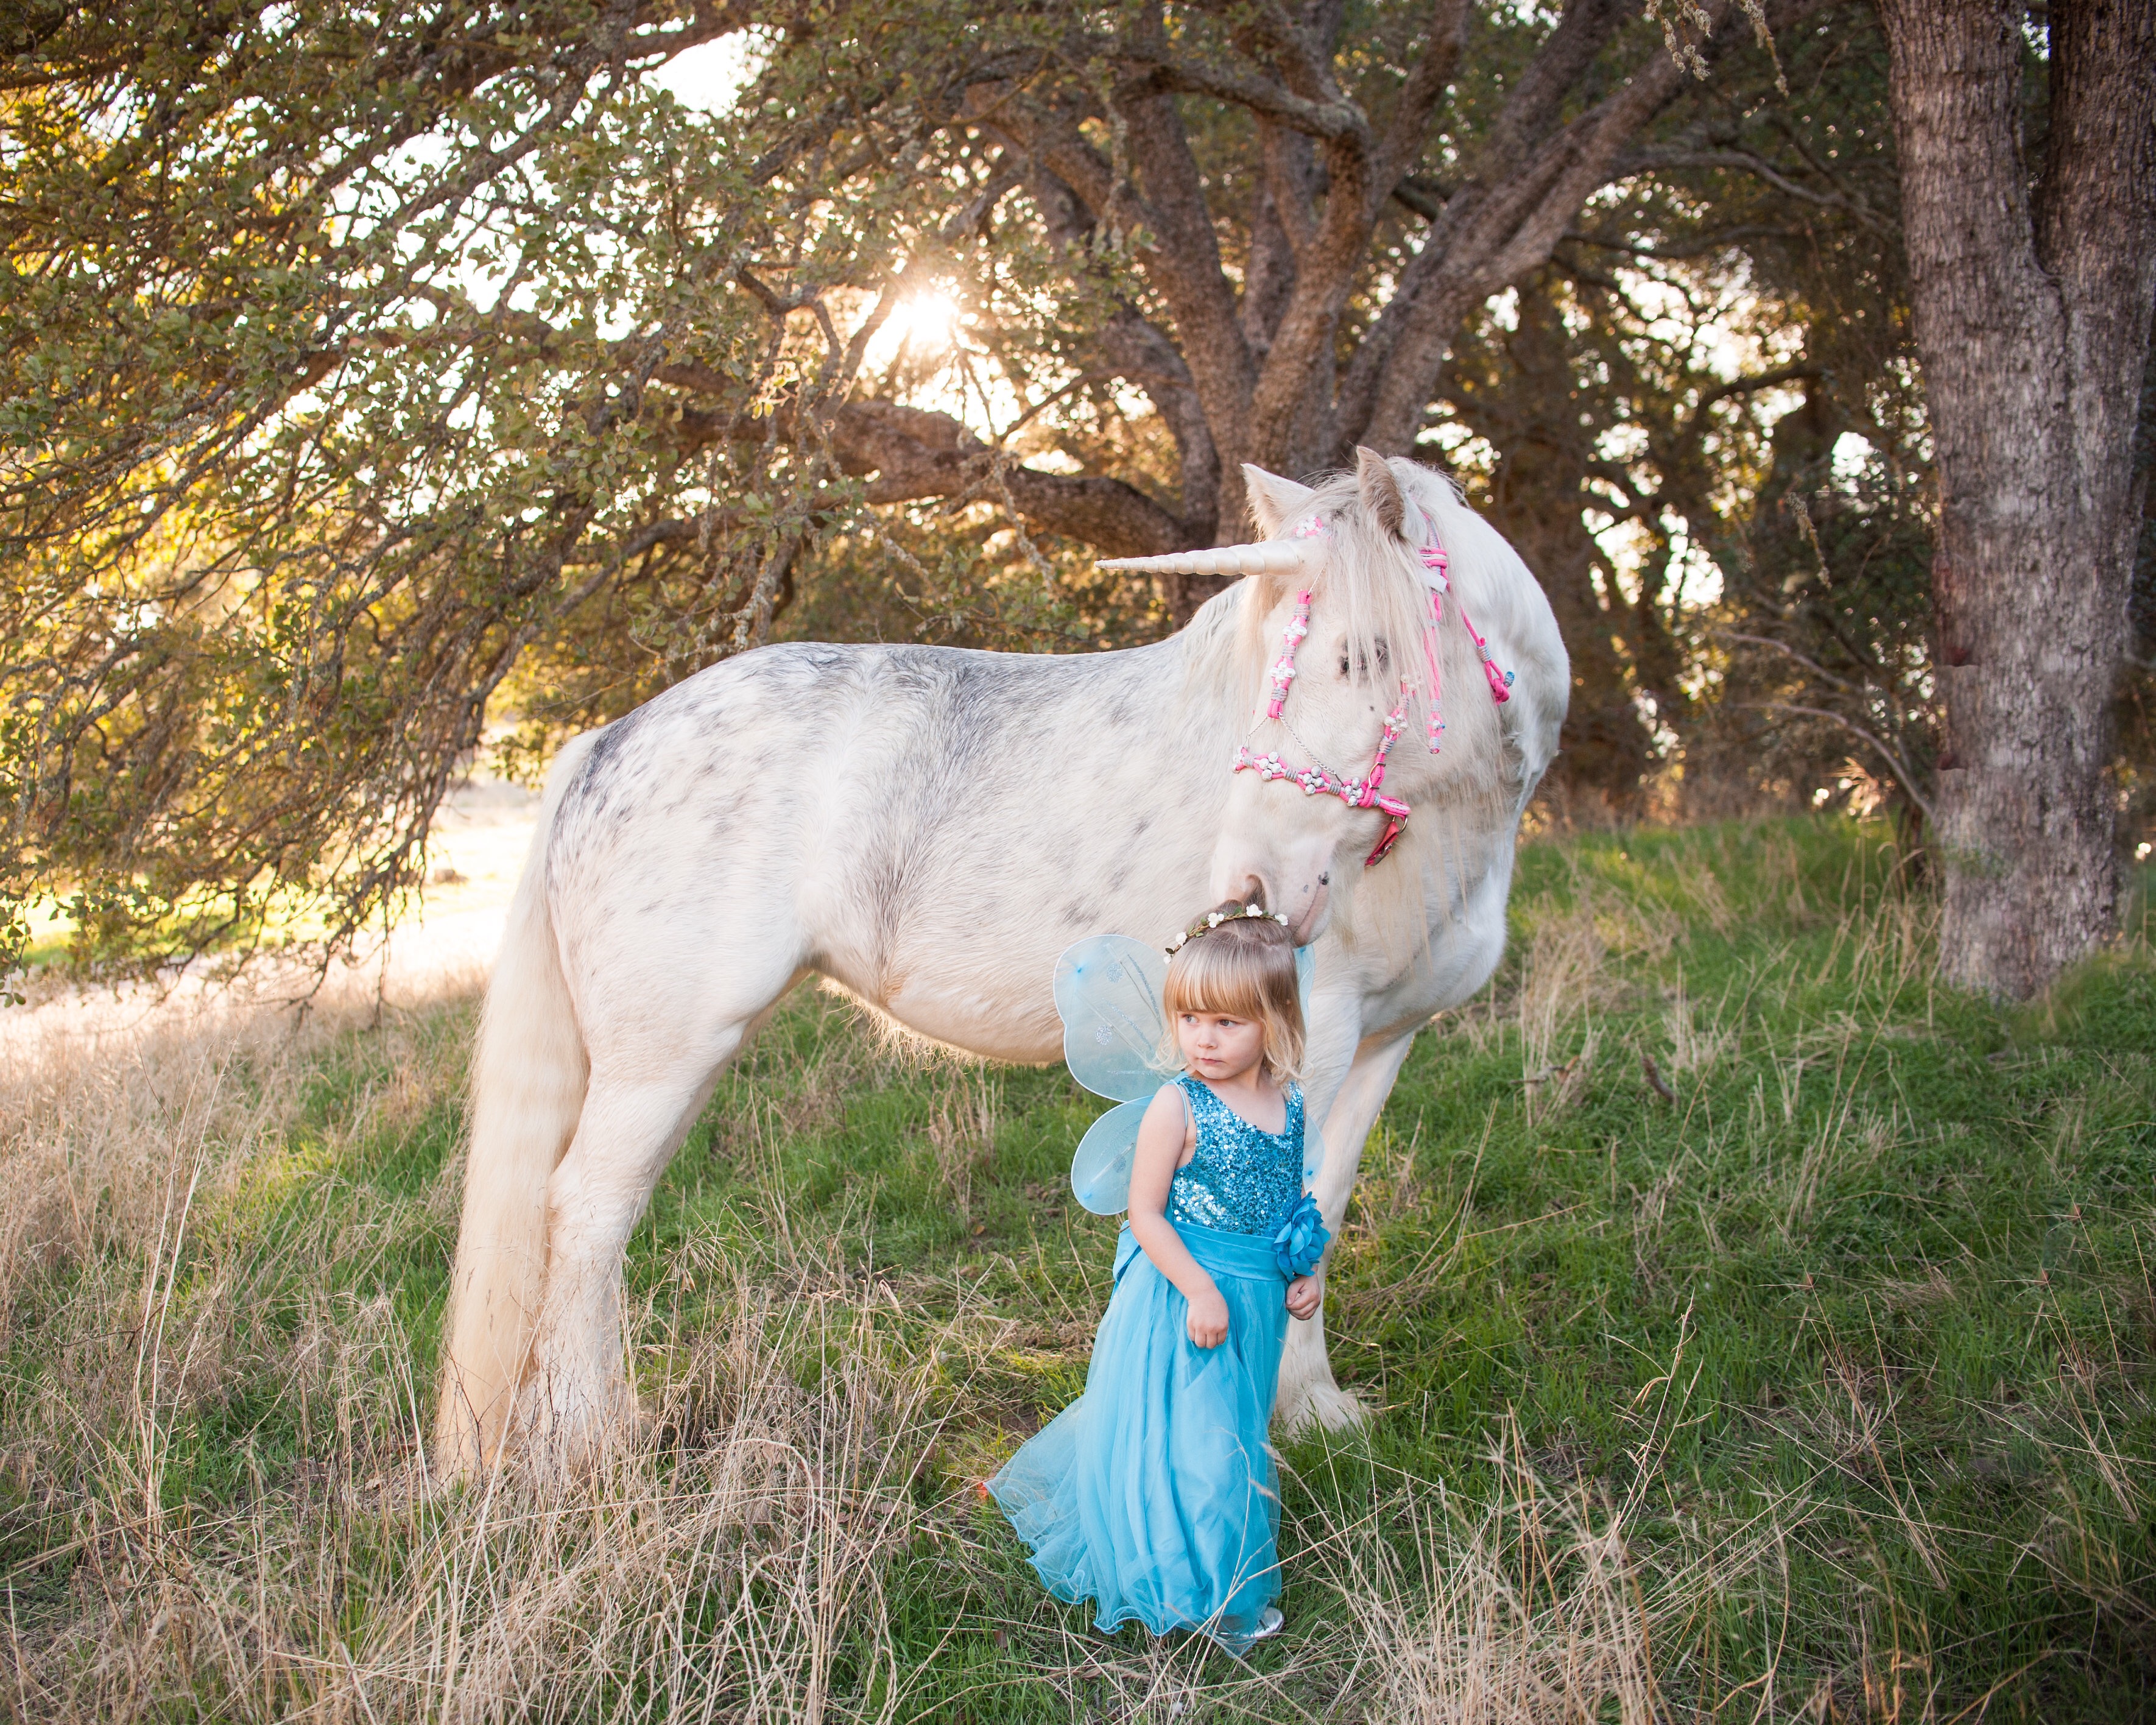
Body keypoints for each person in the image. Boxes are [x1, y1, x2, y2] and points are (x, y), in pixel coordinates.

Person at [987, 898, 1330, 1656]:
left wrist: (1305, 1272)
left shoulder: (1293, 1102)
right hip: (1182, 1293)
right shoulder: (1179, 1107)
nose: (1202, 1039)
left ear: (1275, 1021)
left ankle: (1189, 1553)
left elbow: (1292, 1198)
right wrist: (1200, 1289)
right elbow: (1145, 1214)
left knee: (1234, 1432)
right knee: (1201, 1445)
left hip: (1257, 1298)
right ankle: (1200, 1589)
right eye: (1189, 1019)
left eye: (1227, 1023)